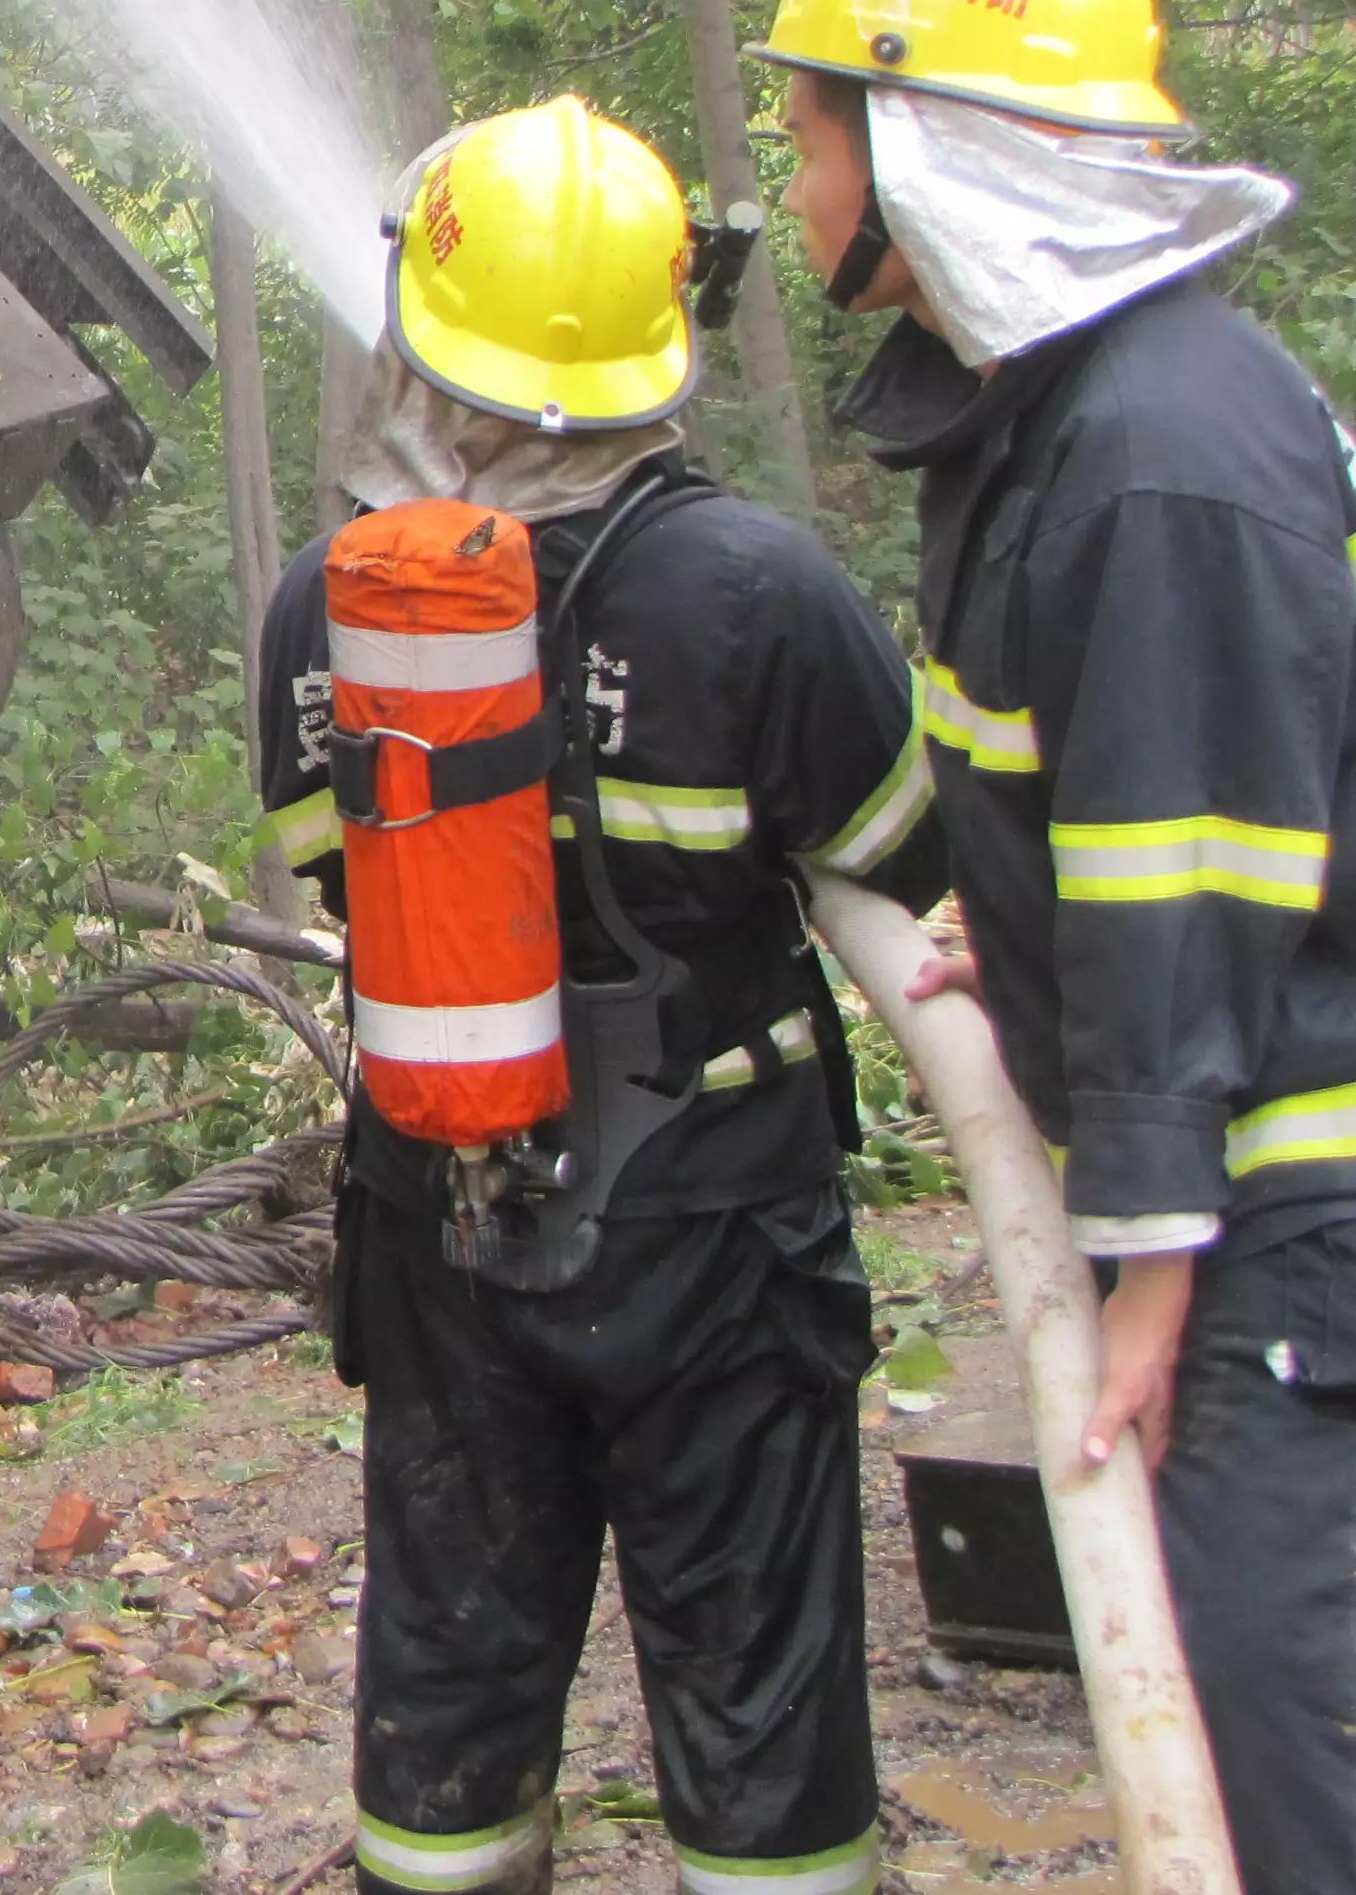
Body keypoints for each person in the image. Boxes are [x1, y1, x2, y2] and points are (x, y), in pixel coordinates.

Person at [754, 0, 1356, 1895]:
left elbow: (1177, 869)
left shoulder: (1150, 448)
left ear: (929, 141)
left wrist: (1146, 1253)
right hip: (1264, 1161)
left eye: (809, 117)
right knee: (1241, 1684)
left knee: (1287, 1723)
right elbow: (1084, 791)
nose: (781, 168)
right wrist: (990, 938)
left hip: (1321, 1180)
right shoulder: (1053, 413)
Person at [256, 95, 942, 1895]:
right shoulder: (765, 596)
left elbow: (357, 887)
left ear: (422, 319)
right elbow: (915, 876)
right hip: (714, 1226)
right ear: (668, 329)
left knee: (450, 1678)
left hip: (442, 1212)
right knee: (757, 1683)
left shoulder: (319, 609)